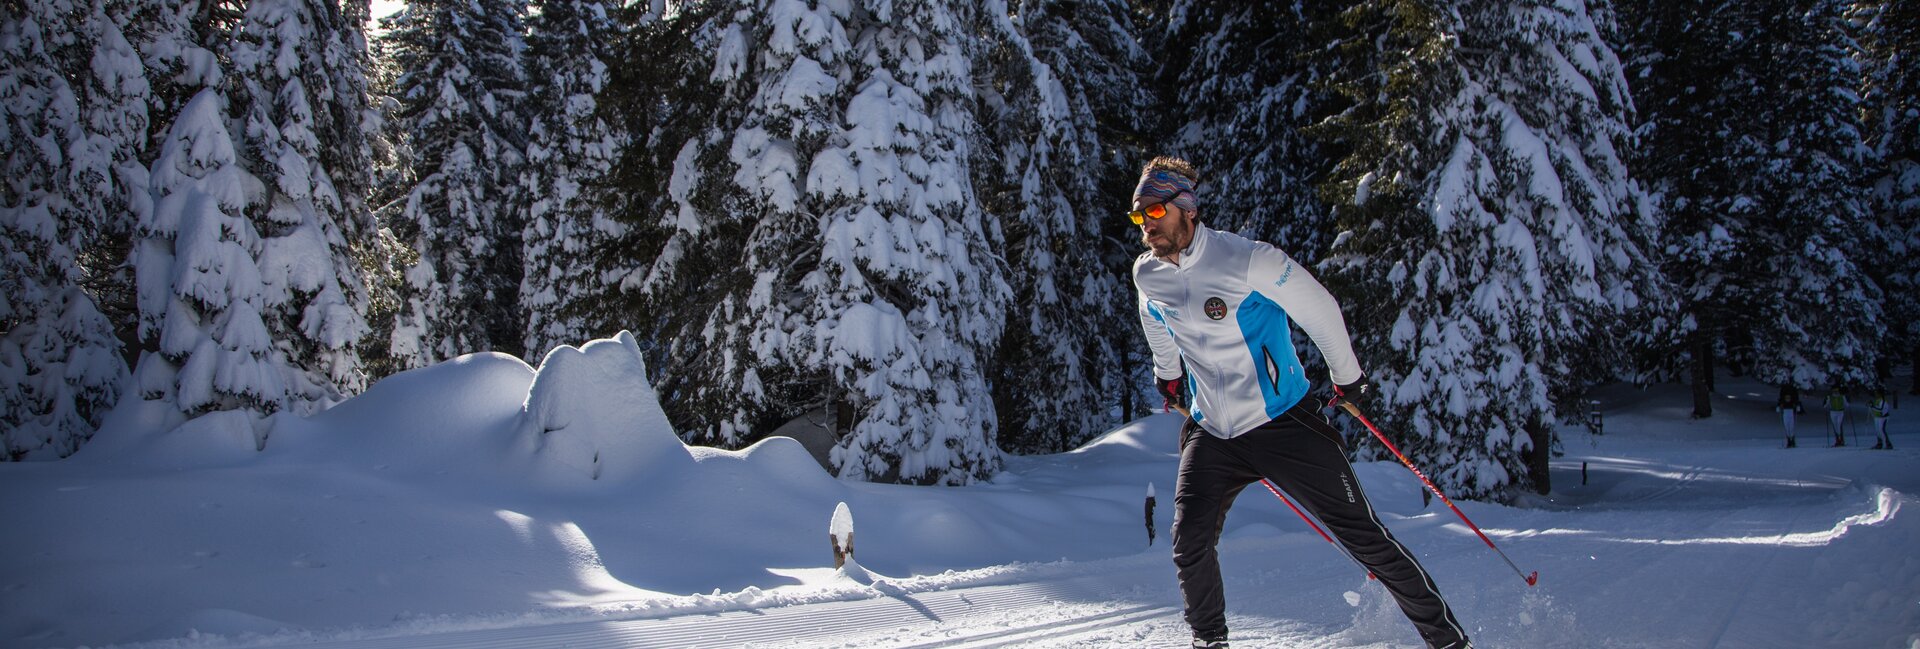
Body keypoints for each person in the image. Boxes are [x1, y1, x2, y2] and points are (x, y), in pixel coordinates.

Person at [1129, 157, 1471, 649]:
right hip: (1215, 433)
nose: (1147, 227)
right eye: (1139, 217)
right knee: (1189, 544)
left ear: (1186, 209)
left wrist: (1347, 377)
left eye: (1155, 213)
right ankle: (1211, 642)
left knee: (1367, 541)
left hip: (1283, 422)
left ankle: (1450, 643)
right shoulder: (1149, 274)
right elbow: (1154, 316)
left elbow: (1320, 308)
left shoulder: (1247, 260)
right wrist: (1168, 374)